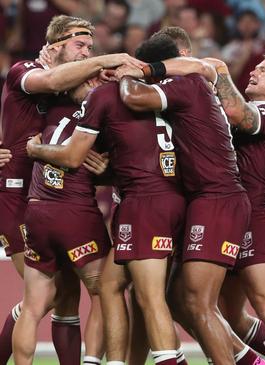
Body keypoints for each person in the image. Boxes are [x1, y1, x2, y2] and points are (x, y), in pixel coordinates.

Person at [25, 35, 191, 365]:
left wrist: (34, 150)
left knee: (144, 296)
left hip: (138, 204)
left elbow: (73, 157)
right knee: (128, 291)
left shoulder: (103, 97)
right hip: (172, 200)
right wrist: (110, 172)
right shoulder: (178, 93)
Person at [0, 14, 143, 365]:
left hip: (51, 197)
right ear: (54, 46)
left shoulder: (76, 90)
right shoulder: (28, 69)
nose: (86, 53)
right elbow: (49, 79)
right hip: (15, 195)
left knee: (64, 297)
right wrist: (108, 59)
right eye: (80, 45)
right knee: (46, 297)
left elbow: (95, 154)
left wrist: (106, 171)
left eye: (91, 47)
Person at [118, 36, 250, 365]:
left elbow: (134, 98)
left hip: (217, 198)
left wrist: (127, 73)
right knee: (176, 299)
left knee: (198, 303)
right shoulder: (194, 80)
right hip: (206, 199)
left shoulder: (186, 83)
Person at [203, 51, 265, 365]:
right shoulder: (255, 111)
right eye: (256, 68)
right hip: (230, 216)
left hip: (256, 218)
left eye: (263, 70)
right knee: (230, 312)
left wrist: (219, 73)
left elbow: (235, 111)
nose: (254, 72)